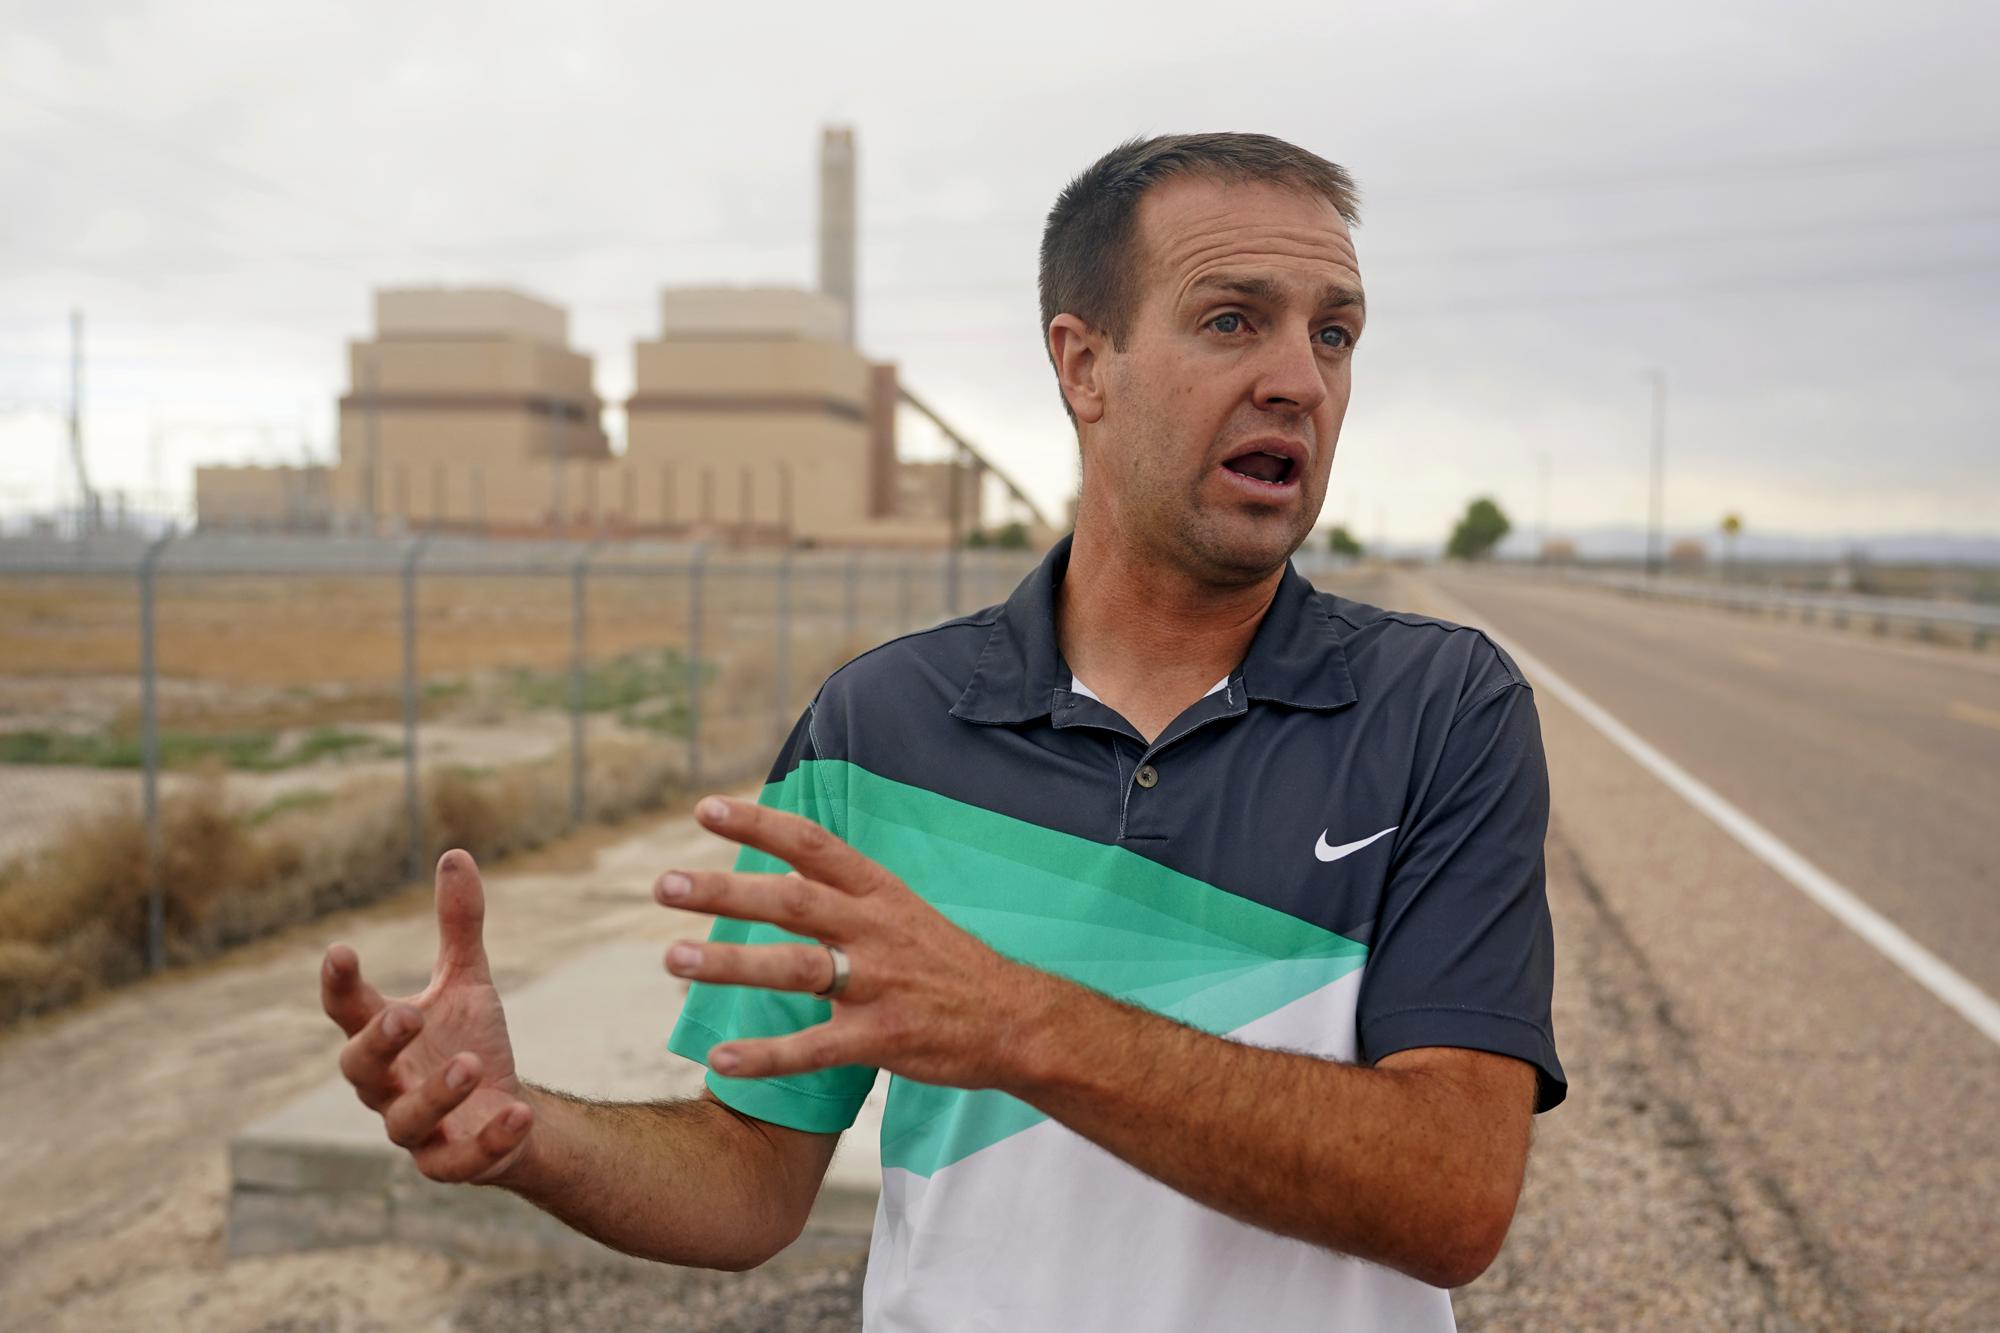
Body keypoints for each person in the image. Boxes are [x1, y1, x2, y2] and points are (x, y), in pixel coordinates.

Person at [322, 132, 1564, 1331]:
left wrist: (1016, 1022)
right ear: (1084, 366)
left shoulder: (1438, 710)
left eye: (1332, 331)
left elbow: (1450, 1194)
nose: (1299, 377)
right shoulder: (879, 728)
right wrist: (520, 1127)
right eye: (1233, 318)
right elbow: (748, 1174)